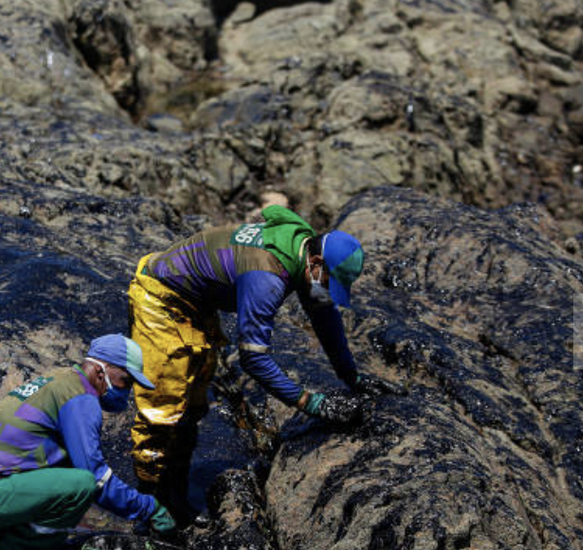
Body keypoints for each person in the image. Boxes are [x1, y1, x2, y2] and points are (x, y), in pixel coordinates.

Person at [128, 205, 401, 523]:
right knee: (162, 411)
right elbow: (253, 359)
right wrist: (310, 403)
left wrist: (351, 376)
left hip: (196, 301)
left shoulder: (302, 241)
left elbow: (324, 314)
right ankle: (149, 511)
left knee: (193, 407)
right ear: (315, 263)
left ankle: (176, 501)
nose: (326, 289)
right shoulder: (267, 278)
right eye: (328, 281)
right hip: (162, 297)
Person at [0, 334, 177, 550]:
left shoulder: (61, 380)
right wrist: (149, 508)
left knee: (63, 468)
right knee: (81, 485)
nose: (127, 390)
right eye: (125, 380)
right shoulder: (81, 400)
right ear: (101, 371)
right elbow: (97, 480)